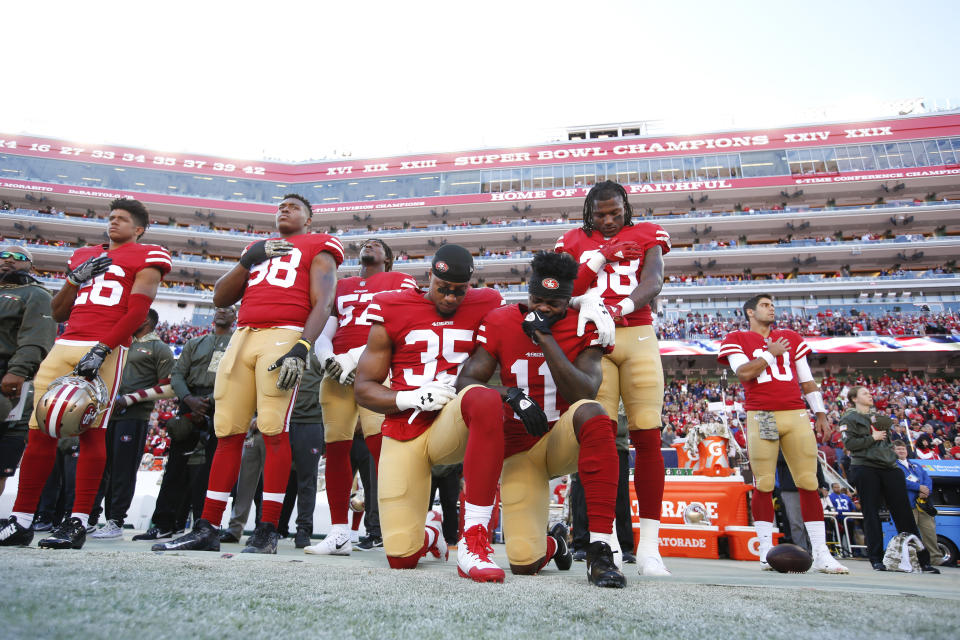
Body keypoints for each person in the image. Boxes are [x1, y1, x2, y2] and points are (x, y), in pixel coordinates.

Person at [154, 194, 342, 554]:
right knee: (227, 431)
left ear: (309, 219)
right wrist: (246, 261)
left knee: (273, 429)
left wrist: (302, 346)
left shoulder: (318, 245)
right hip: (243, 336)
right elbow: (221, 298)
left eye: (293, 207)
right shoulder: (257, 248)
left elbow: (324, 300)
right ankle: (207, 526)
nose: (284, 210)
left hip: (283, 333)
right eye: (280, 206)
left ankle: (268, 528)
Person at [1, 199, 171, 549]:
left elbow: (138, 311)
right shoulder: (84, 255)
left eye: (122, 219)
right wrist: (72, 281)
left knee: (92, 432)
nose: (113, 223)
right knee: (40, 430)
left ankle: (78, 521)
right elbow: (58, 311)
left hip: (105, 345)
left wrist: (104, 348)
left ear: (139, 228)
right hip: (65, 343)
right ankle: (21, 520)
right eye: (111, 218)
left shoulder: (149, 255)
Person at [456, 251, 625, 587]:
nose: (543, 309)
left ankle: (601, 548)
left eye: (554, 302)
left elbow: (585, 392)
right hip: (520, 451)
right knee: (523, 562)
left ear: (569, 299)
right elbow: (466, 382)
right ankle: (554, 543)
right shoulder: (501, 320)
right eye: (537, 299)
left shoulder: (583, 322)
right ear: (528, 292)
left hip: (562, 439)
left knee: (595, 413)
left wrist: (545, 338)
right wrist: (511, 395)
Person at [353, 244, 506, 581]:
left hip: (453, 421)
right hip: (406, 425)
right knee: (400, 558)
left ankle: (475, 541)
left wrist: (577, 301)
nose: (451, 298)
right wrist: (409, 398)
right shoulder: (392, 306)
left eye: (459, 291)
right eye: (443, 289)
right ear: (429, 278)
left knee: (484, 399)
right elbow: (363, 387)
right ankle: (431, 534)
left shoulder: (488, 303)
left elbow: (529, 318)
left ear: (471, 285)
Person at [554, 180, 672, 576]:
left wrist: (620, 307)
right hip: (591, 338)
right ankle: (606, 542)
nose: (607, 220)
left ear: (626, 207)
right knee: (598, 436)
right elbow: (561, 290)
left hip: (636, 332)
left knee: (647, 434)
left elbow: (653, 280)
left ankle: (651, 547)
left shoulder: (646, 233)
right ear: (588, 211)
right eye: (600, 214)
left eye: (614, 213)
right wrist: (602, 257)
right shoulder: (571, 239)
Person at [717, 293, 848, 573]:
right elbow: (743, 373)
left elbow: (807, 380)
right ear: (750, 312)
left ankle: (822, 552)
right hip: (761, 413)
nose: (771, 309)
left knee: (808, 482)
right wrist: (769, 353)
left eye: (772, 305)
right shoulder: (736, 339)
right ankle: (764, 550)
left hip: (796, 413)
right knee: (763, 483)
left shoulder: (790, 336)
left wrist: (821, 413)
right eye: (765, 305)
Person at [309, 238, 416, 555]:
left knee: (383, 451)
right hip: (337, 374)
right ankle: (339, 532)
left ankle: (398, 527)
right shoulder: (342, 285)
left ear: (388, 257)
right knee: (336, 449)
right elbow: (327, 328)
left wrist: (353, 359)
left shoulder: (399, 281)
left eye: (377, 245)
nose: (369, 246)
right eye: (366, 243)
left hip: (376, 371)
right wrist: (328, 359)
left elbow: (400, 324)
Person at [133, 307, 235, 541]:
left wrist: (209, 401)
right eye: (218, 308)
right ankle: (164, 523)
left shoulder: (236, 344)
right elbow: (177, 375)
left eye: (228, 310)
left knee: (211, 469)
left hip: (221, 403)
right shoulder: (195, 343)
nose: (222, 312)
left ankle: (204, 525)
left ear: (235, 317)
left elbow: (236, 377)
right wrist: (189, 399)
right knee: (176, 467)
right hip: (189, 402)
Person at [91, 308, 174, 539]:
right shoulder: (122, 343)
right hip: (106, 414)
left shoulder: (159, 348)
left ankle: (115, 521)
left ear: (146, 320)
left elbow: (170, 387)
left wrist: (132, 398)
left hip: (133, 416)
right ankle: (90, 517)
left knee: (122, 470)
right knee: (99, 467)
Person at [840, 386, 939, 573]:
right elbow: (849, 444)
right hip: (866, 466)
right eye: (864, 393)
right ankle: (876, 559)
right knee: (871, 513)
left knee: (904, 514)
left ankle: (921, 559)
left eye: (870, 393)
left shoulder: (879, 417)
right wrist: (872, 437)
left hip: (890, 467)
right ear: (853, 399)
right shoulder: (849, 418)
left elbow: (887, 438)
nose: (870, 395)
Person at [0, 245, 55, 498]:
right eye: (4, 255)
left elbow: (36, 339)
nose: (9, 260)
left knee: (2, 455)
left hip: (7, 376)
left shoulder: (36, 294)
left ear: (30, 265)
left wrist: (18, 371)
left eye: (18, 257)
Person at [284, 353, 326, 548]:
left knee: (307, 480)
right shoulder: (283, 340)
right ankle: (270, 526)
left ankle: (303, 529)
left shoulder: (322, 346)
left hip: (310, 419)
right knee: (274, 478)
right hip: (282, 418)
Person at [893, 440, 944, 567]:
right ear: (893, 451)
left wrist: (926, 491)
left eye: (903, 449)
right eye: (898, 449)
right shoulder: (893, 466)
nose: (901, 451)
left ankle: (935, 558)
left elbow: (928, 479)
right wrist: (919, 488)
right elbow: (901, 481)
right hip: (908, 505)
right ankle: (910, 559)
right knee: (909, 534)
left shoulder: (915, 465)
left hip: (923, 505)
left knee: (930, 532)